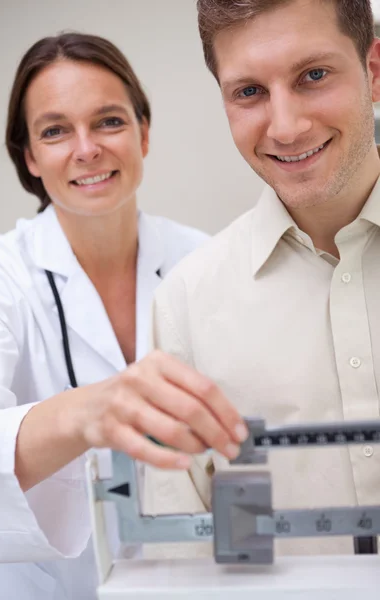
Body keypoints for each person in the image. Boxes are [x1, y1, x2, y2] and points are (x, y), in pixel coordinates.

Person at [0, 33, 248, 599]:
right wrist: (91, 412)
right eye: (54, 131)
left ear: (143, 133)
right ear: (29, 157)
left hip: (191, 582)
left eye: (108, 121)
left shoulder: (206, 262)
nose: (86, 149)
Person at [147, 0, 380, 559]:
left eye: (314, 76)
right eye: (249, 91)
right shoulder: (185, 303)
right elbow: (176, 556)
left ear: (374, 70)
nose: (286, 126)